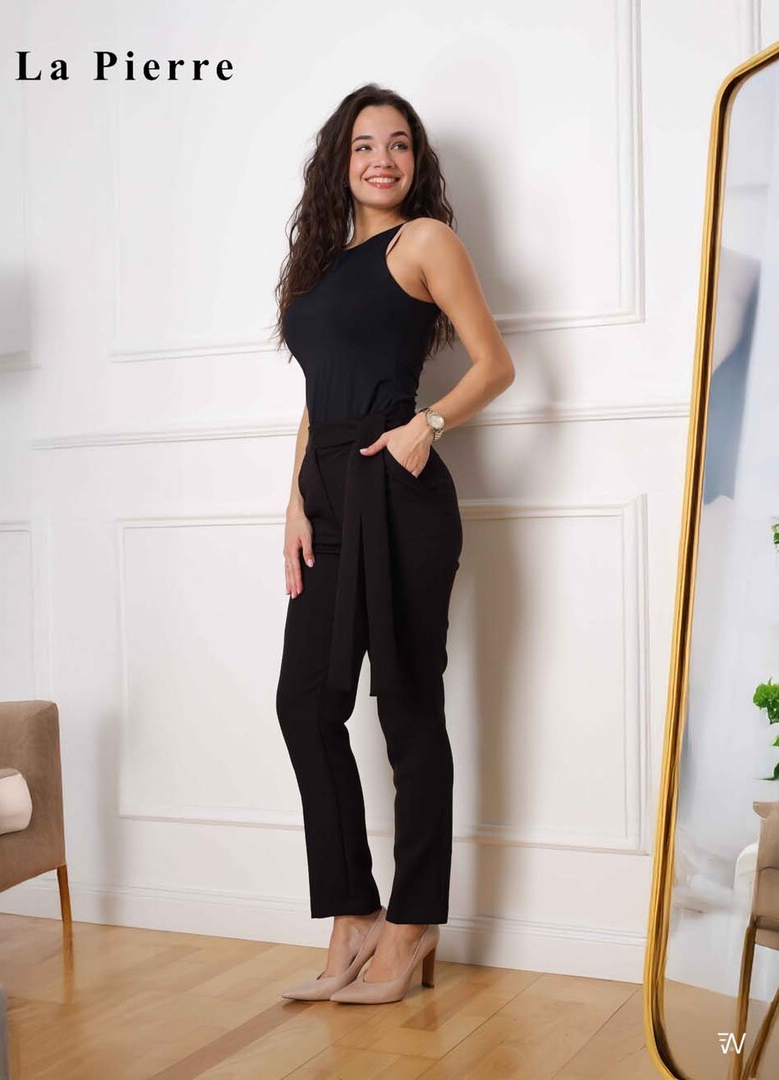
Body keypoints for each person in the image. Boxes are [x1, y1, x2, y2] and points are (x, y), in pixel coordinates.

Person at [273, 84, 515, 1005]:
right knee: (307, 703)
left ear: (417, 162)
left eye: (400, 144)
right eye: (366, 145)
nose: (383, 159)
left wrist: (429, 425)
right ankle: (353, 913)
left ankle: (413, 924)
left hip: (399, 489)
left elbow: (496, 364)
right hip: (326, 496)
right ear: (340, 161)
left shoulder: (424, 242)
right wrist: (294, 503)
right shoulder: (320, 267)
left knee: (409, 708)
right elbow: (315, 398)